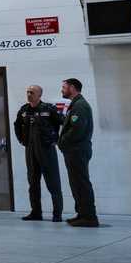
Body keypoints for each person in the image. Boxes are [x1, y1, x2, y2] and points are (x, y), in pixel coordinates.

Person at [13, 85, 64, 222]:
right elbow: (17, 125)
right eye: (28, 92)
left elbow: (62, 122)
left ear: (39, 94)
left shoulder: (48, 109)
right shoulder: (24, 110)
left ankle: (57, 213)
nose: (29, 94)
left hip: (46, 149)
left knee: (53, 182)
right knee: (33, 183)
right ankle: (36, 212)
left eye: (32, 92)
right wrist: (22, 140)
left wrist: (56, 139)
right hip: (30, 150)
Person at [59, 77, 98, 227]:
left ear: (73, 88)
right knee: (76, 183)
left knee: (81, 183)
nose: (62, 90)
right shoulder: (75, 104)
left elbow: (77, 130)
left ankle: (89, 217)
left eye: (64, 87)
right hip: (74, 150)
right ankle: (82, 214)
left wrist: (62, 142)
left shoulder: (80, 106)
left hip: (77, 150)